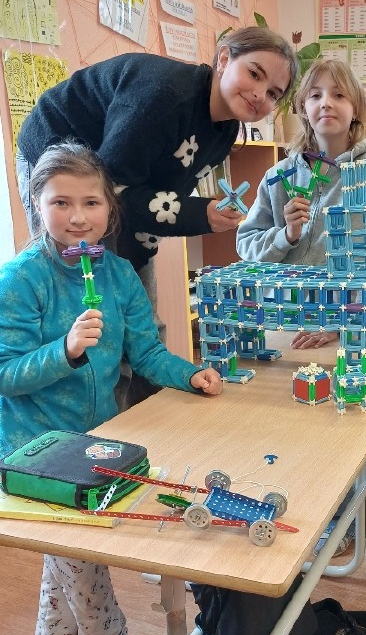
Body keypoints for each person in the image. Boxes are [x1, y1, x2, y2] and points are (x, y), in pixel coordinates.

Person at [0, 142, 224, 635]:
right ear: (36, 205)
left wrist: (189, 373)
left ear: (109, 209)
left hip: (95, 442)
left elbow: (146, 352)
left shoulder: (119, 273)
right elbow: (5, 374)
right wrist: (66, 350)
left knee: (70, 558)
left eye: (91, 202)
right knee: (81, 558)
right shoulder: (20, 279)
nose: (78, 216)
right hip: (35, 453)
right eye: (61, 203)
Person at [16, 26, 297, 405]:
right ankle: (86, 415)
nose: (261, 95)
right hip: (59, 154)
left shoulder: (225, 131)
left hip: (114, 179)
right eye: (255, 73)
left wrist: (201, 216)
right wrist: (200, 215)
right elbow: (113, 192)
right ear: (224, 59)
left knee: (135, 307)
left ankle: (143, 409)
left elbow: (157, 200)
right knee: (81, 304)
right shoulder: (164, 96)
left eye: (274, 93)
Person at [236, 57, 366, 552]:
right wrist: (286, 234)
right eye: (317, 94)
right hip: (286, 320)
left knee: (340, 425)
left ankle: (339, 524)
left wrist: (338, 324)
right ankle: (294, 516)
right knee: (287, 424)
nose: (328, 103)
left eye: (339, 94)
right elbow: (246, 245)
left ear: (356, 108)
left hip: (340, 324)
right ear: (302, 106)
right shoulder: (279, 176)